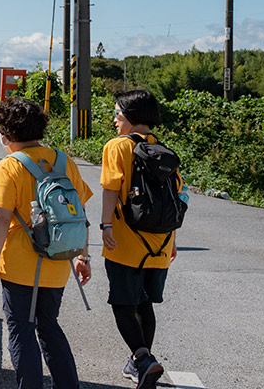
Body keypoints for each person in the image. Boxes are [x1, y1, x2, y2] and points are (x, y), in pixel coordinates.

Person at [0, 97, 92, 389]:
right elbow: (80, 214)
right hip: (58, 259)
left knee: (21, 330)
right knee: (49, 327)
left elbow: (1, 219)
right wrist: (84, 256)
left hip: (20, 264)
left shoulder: (8, 167)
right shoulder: (64, 160)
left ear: (6, 134)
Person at [100, 89, 183, 389]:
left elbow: (111, 188)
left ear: (132, 118)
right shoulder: (164, 150)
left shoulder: (117, 147)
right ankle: (139, 362)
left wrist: (105, 224)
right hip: (159, 244)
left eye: (118, 115)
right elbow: (176, 198)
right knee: (143, 303)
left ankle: (143, 359)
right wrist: (171, 240)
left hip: (125, 241)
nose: (114, 120)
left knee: (123, 303)